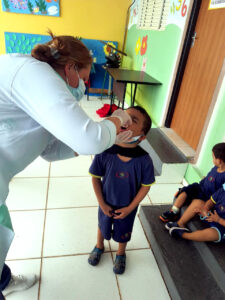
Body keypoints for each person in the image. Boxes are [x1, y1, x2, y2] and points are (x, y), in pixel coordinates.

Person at [0, 30, 133, 296]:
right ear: (70, 68)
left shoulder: (40, 91)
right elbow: (89, 139)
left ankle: (3, 279)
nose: (84, 86)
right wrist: (117, 119)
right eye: (84, 78)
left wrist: (98, 141)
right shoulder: (34, 74)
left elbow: (49, 150)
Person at [88, 106, 155, 274]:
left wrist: (130, 208)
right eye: (125, 115)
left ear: (142, 136)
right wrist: (102, 203)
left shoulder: (144, 160)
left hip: (128, 206)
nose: (126, 120)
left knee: (123, 230)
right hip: (105, 201)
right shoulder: (105, 150)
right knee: (102, 225)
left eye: (133, 120)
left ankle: (120, 253)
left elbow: (145, 187)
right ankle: (99, 245)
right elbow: (95, 177)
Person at [159, 143, 225, 223]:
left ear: (219, 161)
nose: (212, 159)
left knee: (197, 203)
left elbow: (219, 194)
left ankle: (180, 223)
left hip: (207, 196)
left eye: (213, 157)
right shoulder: (216, 167)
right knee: (185, 191)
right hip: (200, 187)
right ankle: (173, 211)